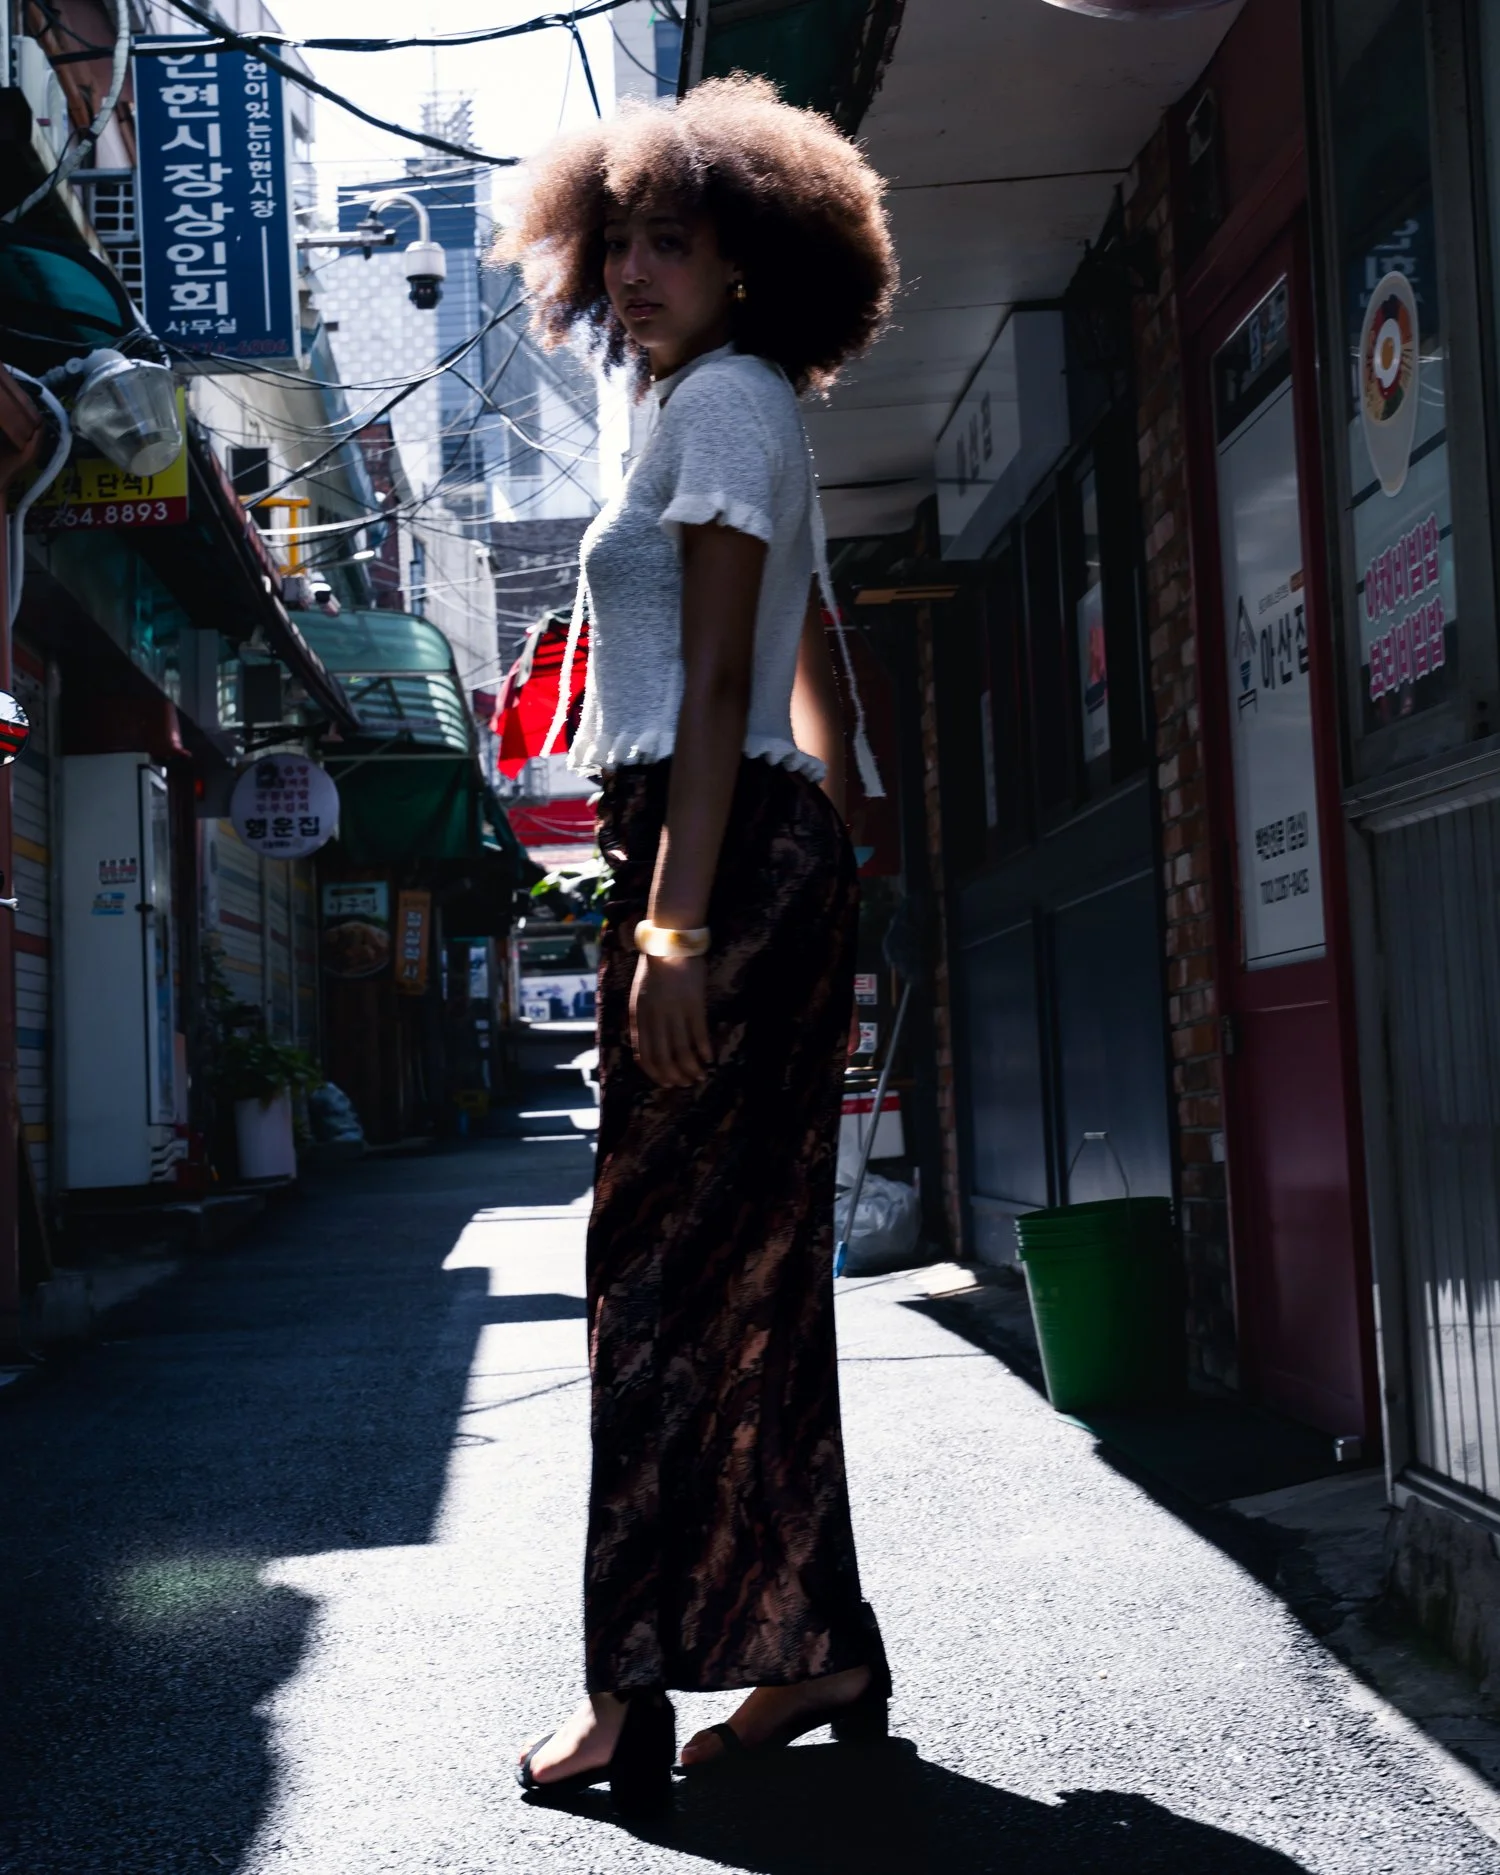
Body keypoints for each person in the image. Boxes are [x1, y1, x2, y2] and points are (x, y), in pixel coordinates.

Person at [500, 74, 897, 1817]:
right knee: (726, 1276)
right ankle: (810, 1646)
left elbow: (731, 679)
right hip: (742, 842)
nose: (640, 270)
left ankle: (628, 1690)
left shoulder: (724, 405)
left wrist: (676, 915)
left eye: (678, 240)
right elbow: (801, 643)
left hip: (714, 855)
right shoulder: (687, 412)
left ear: (752, 266)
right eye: (624, 243)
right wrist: (842, 819)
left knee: (655, 1281)